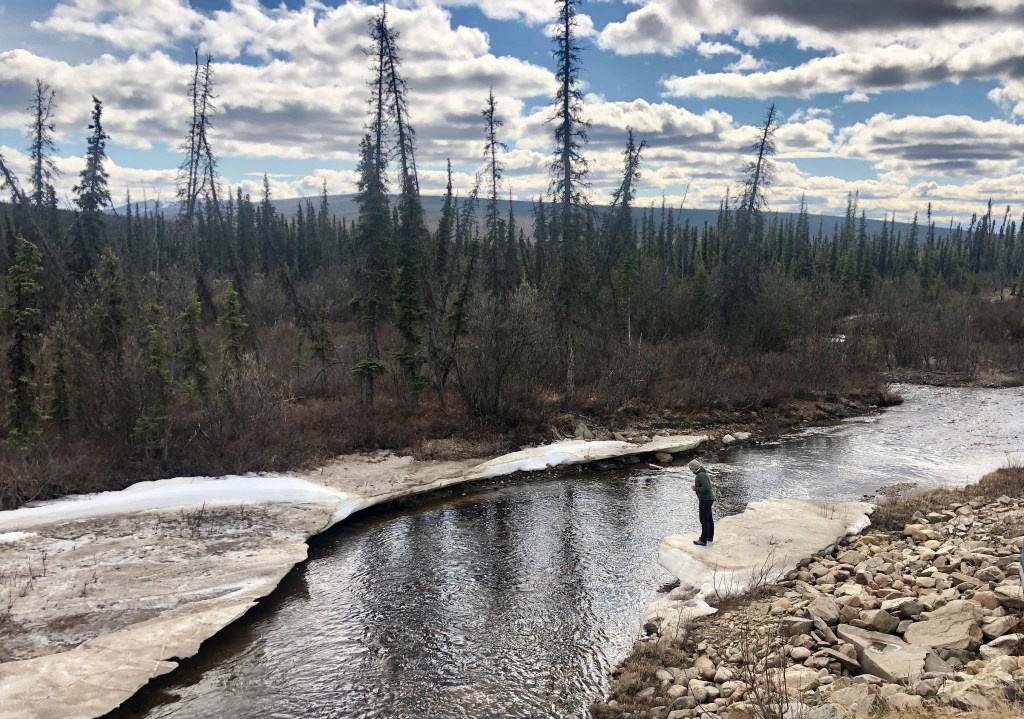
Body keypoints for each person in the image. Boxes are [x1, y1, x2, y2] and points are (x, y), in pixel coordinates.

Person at [688, 459, 714, 546]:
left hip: (705, 500)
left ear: (694, 468)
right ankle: (709, 536)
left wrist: (696, 488)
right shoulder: (703, 473)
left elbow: (706, 488)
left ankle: (703, 540)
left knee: (704, 520)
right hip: (708, 499)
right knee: (709, 518)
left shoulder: (701, 475)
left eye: (690, 468)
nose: (690, 470)